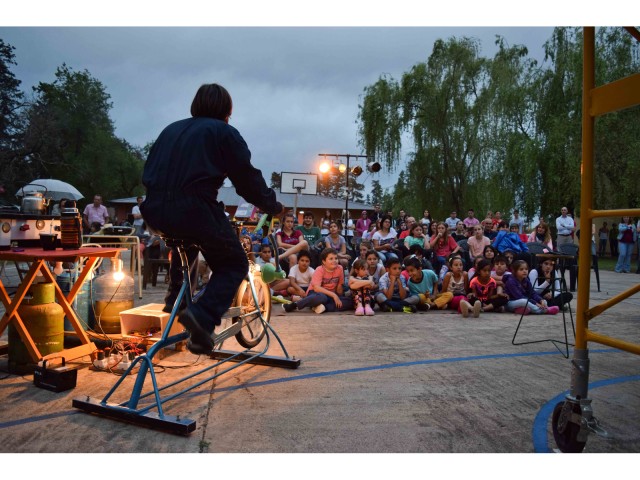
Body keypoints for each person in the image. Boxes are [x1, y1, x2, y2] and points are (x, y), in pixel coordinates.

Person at [140, 83, 285, 355]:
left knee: (187, 245)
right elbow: (247, 180)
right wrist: (272, 205)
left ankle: (177, 303)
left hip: (153, 209)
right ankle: (202, 317)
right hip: (193, 208)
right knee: (234, 263)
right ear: (227, 111)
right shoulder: (223, 132)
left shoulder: (169, 130)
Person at [283, 248, 353, 314]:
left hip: (330, 295)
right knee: (322, 298)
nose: (334, 261)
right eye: (331, 259)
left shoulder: (340, 268)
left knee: (350, 302)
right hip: (316, 293)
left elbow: (339, 289)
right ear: (324, 261)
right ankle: (296, 305)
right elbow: (317, 288)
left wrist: (339, 296)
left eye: (336, 258)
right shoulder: (319, 270)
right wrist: (334, 295)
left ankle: (323, 307)